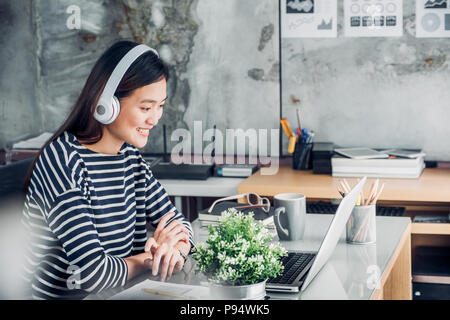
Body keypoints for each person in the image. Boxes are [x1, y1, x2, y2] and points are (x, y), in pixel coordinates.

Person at [21, 41, 194, 300]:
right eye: (146, 107)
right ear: (106, 103)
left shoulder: (130, 158)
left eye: (160, 106)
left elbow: (179, 224)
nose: (155, 118)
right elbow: (94, 273)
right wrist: (152, 257)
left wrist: (176, 249)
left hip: (118, 293)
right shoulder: (63, 162)